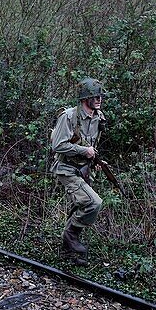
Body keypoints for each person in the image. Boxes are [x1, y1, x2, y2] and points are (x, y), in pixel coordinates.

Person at [49, 77, 107, 264]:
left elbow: (91, 145)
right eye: (94, 96)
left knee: (79, 205)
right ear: (84, 98)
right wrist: (84, 151)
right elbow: (58, 146)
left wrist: (95, 159)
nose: (98, 99)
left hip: (83, 169)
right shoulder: (68, 117)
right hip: (66, 167)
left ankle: (69, 251)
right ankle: (70, 237)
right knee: (93, 203)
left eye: (99, 96)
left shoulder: (99, 118)